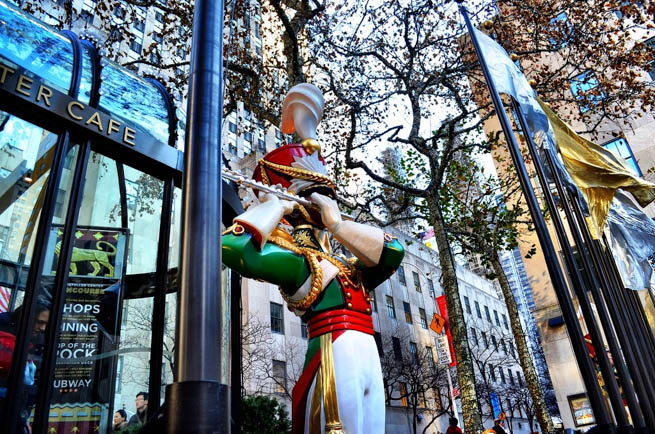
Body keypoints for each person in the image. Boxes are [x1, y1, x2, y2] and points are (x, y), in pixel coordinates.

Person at [222, 83, 404, 434]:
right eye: (317, 194)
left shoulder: (347, 262)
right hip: (335, 354)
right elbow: (235, 247)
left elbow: (393, 252)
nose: (327, 201)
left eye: (328, 194)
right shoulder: (300, 260)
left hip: (368, 361)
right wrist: (277, 205)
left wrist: (338, 226)